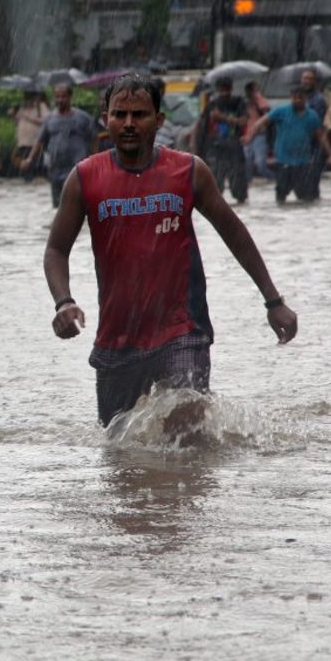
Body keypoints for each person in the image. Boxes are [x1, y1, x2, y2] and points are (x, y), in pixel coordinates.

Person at [41, 74, 297, 435]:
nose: (129, 124)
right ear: (105, 119)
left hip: (182, 330)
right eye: (120, 114)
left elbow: (234, 233)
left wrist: (273, 300)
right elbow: (55, 249)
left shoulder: (188, 171)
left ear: (158, 121)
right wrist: (63, 301)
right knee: (120, 451)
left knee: (187, 440)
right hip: (118, 338)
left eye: (140, 115)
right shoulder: (85, 178)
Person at [248, 87, 329, 204]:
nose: (297, 100)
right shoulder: (281, 111)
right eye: (295, 98)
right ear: (291, 98)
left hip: (303, 162)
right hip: (283, 161)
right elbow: (260, 123)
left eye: (300, 98)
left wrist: (330, 154)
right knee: (280, 198)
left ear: (305, 99)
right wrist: (250, 137)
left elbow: (321, 136)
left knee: (307, 199)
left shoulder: (312, 116)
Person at [21, 84, 96, 208]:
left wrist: (93, 158)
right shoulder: (49, 119)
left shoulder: (83, 118)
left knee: (76, 205)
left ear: (70, 97)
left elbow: (94, 137)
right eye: (57, 97)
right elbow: (39, 141)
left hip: (76, 169)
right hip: (55, 169)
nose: (60, 100)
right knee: (57, 207)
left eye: (63, 97)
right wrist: (30, 159)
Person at [197, 76, 248, 204]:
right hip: (216, 148)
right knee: (215, 187)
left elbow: (243, 122)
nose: (224, 92)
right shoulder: (212, 104)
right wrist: (200, 148)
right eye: (222, 89)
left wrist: (223, 118)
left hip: (233, 147)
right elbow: (203, 126)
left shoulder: (238, 102)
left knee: (238, 188)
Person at [299, 67, 331, 198]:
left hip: (315, 145)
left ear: (315, 82)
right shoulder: (298, 97)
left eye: (309, 79)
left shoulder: (318, 100)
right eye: (304, 78)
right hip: (301, 146)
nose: (306, 81)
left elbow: (316, 124)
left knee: (312, 180)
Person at [12, 90, 49, 181]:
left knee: (35, 159)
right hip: (23, 140)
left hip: (35, 140)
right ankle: (27, 177)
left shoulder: (41, 107)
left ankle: (37, 175)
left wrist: (29, 118)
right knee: (24, 158)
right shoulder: (22, 107)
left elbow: (46, 121)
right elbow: (17, 121)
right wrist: (13, 115)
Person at [241, 80, 273, 180]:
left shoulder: (261, 101)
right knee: (247, 164)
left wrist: (257, 101)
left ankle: (277, 180)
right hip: (248, 136)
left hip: (260, 135)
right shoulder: (245, 103)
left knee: (260, 165)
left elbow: (267, 117)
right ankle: (248, 185)